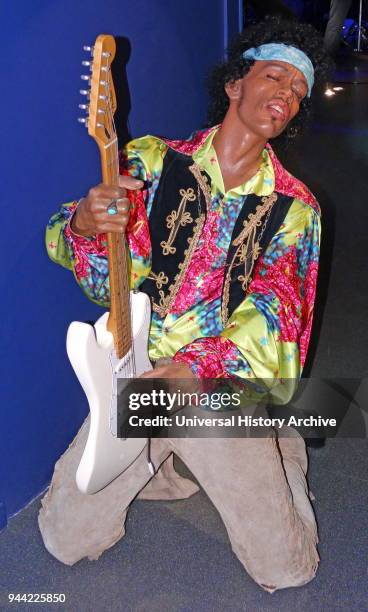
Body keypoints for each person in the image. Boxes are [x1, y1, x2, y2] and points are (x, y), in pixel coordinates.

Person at [39, 17, 332, 592]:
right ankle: (169, 461)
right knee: (64, 543)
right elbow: (107, 283)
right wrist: (85, 223)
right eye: (274, 78)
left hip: (214, 387)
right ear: (234, 85)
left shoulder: (296, 210)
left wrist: (196, 367)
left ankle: (280, 451)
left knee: (286, 571)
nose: (285, 97)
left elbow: (277, 313)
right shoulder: (151, 162)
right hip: (139, 376)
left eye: (297, 92)